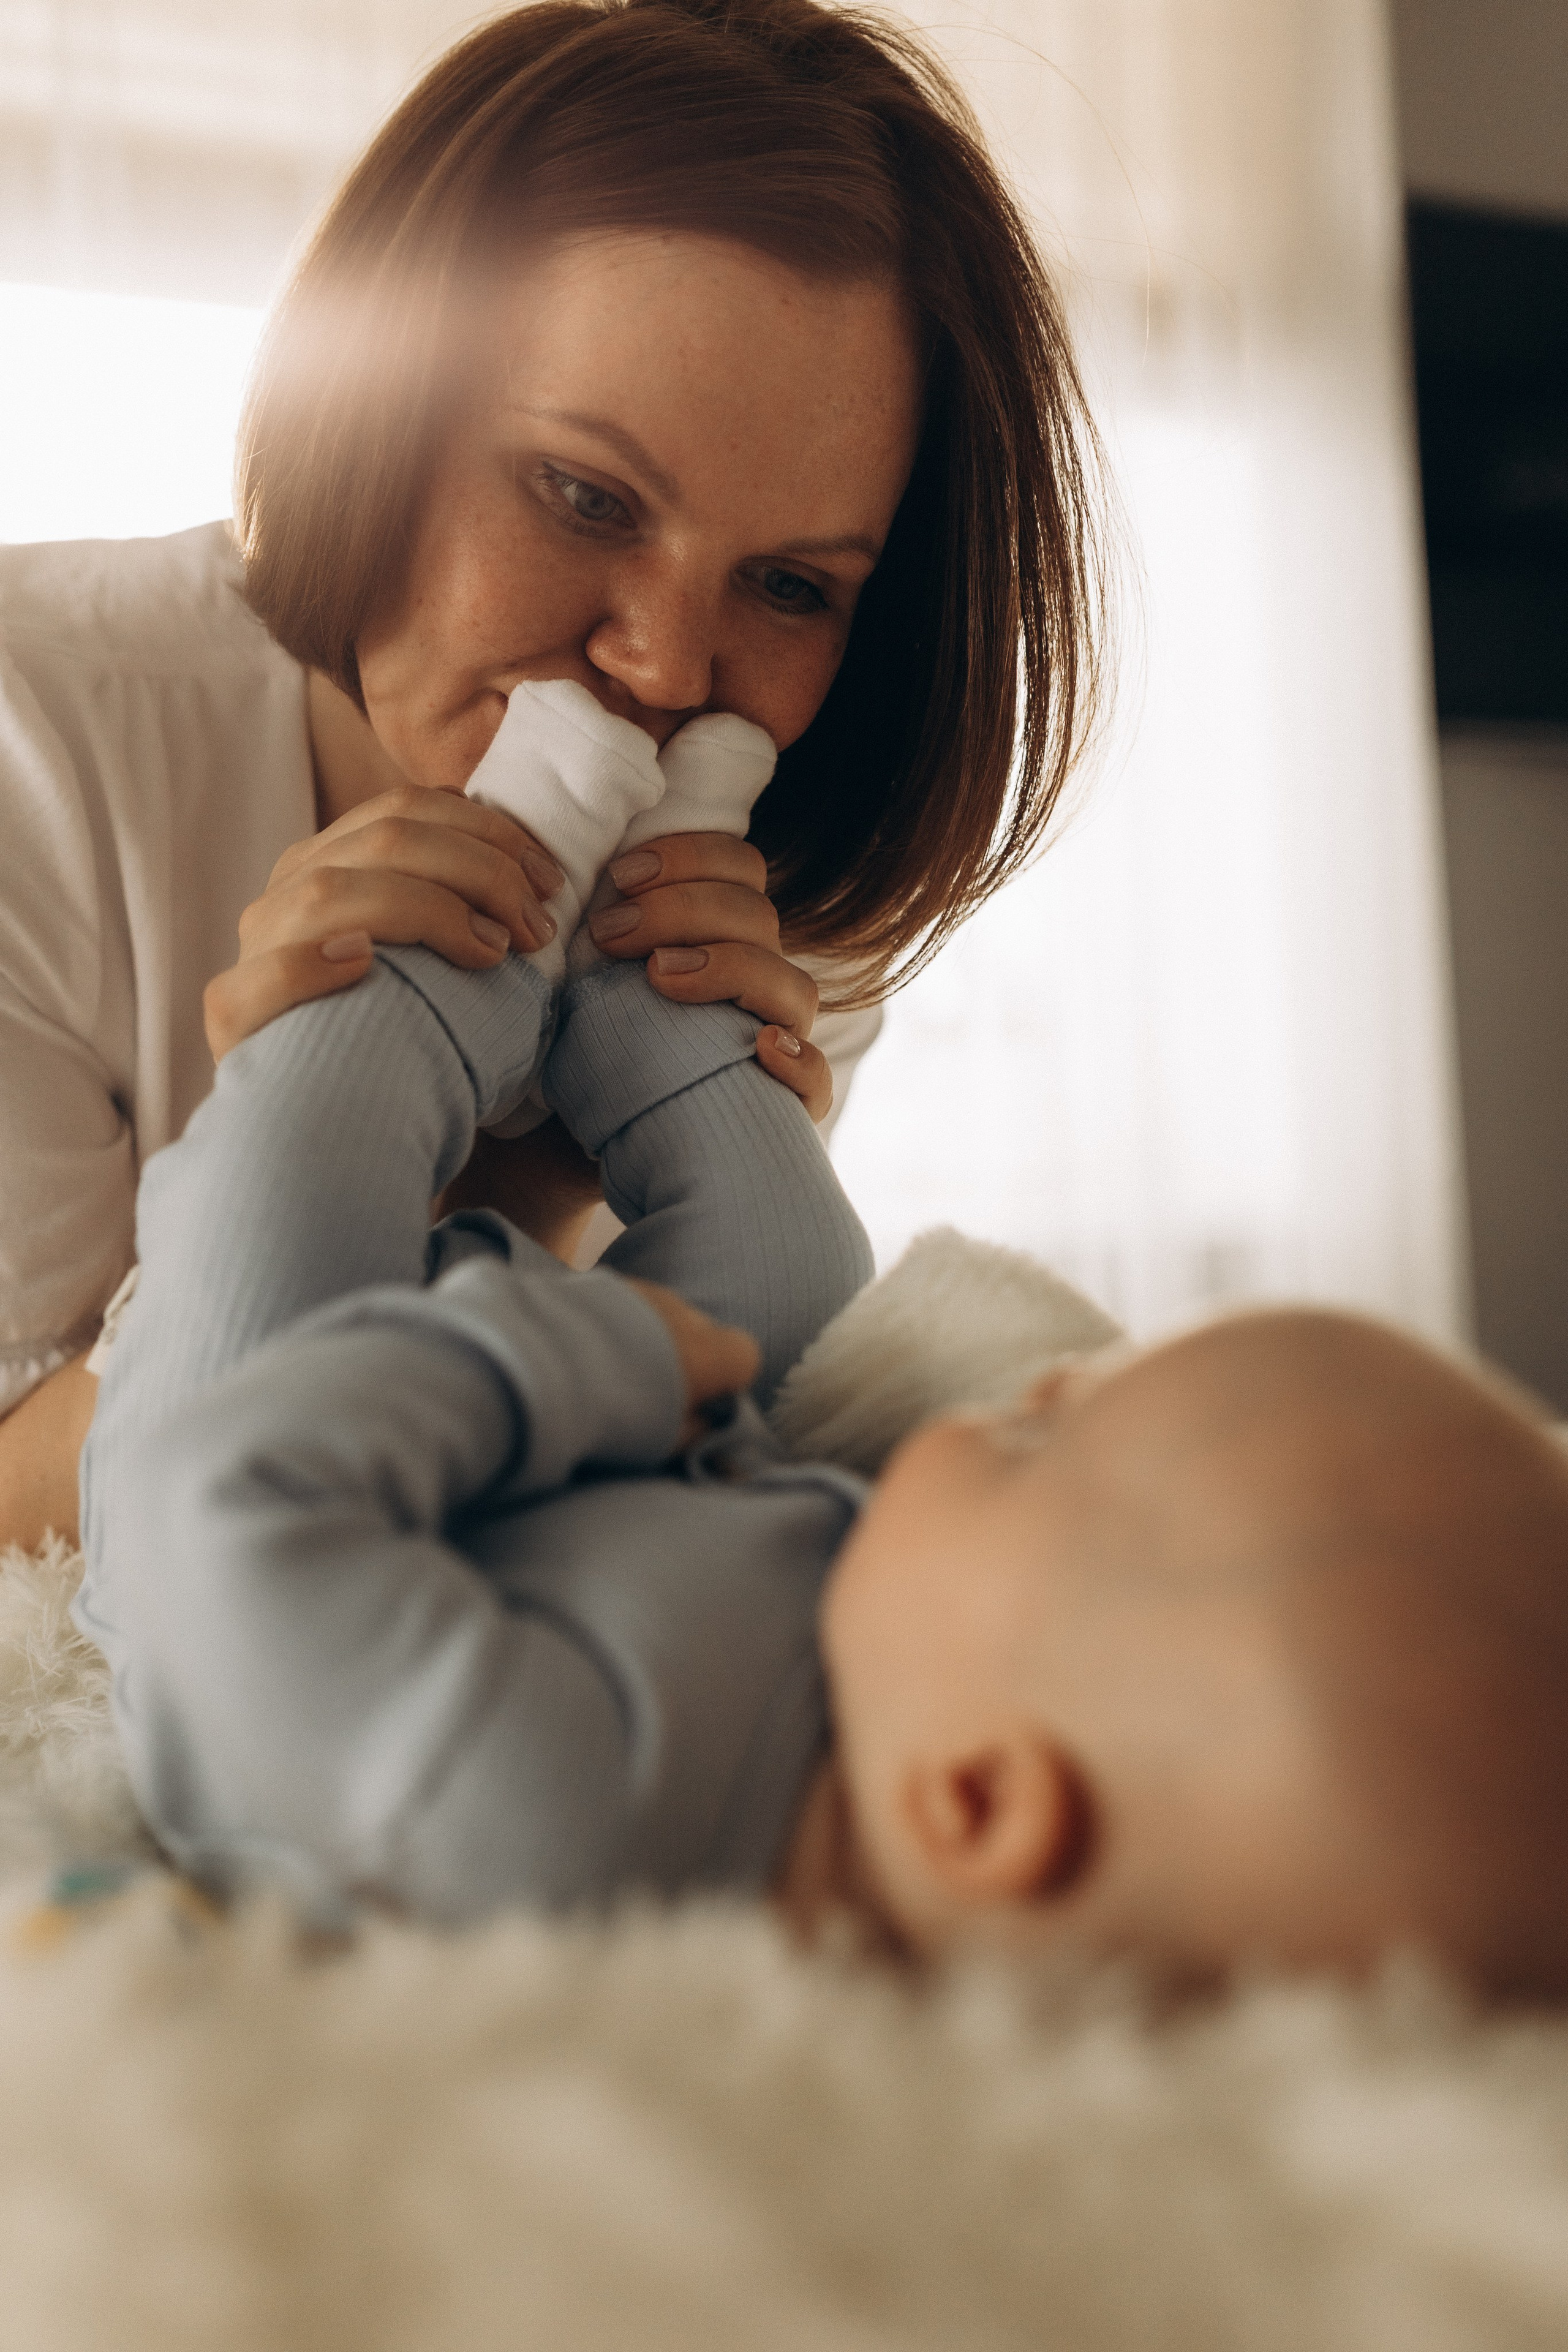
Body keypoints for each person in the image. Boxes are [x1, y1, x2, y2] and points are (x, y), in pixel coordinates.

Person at [83, 739, 1568, 1996]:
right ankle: (642, 967)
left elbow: (224, 1505)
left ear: (978, 1801)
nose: (1044, 1381)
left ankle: (479, 913)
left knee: (287, 1172)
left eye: (1052, 1445)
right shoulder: (905, 1695)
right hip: (614, 1479)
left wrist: (573, 1354)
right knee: (800, 1278)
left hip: (292, 1500)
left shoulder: (529, 1822)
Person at [0, 0, 1111, 1550]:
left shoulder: (753, 894)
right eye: (583, 495)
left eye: (789, 585)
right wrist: (298, 1165)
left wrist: (530, 1190)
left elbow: (588, 1511)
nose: (664, 669)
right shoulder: (30, 747)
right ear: (373, 418)